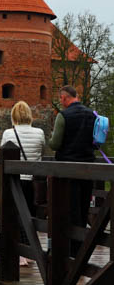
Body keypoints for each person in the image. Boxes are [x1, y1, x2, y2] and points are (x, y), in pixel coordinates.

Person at [49, 85, 96, 255]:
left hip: (67, 170)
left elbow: (55, 144)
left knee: (68, 210)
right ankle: (81, 250)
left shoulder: (63, 115)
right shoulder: (92, 114)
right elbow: (97, 142)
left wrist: (50, 139)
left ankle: (70, 251)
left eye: (61, 99)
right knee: (83, 209)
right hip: (88, 169)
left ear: (63, 98)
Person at [0, 101, 46, 266]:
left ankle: (20, 254)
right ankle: (30, 250)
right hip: (33, 182)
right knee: (29, 217)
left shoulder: (8, 133)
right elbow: (42, 151)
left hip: (14, 180)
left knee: (14, 216)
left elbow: (2, 154)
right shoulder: (39, 132)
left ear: (13, 116)